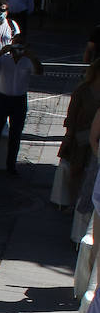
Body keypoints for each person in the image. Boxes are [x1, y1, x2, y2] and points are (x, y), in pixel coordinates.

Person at [0, 40, 42, 176]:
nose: (18, 51)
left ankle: (11, 166)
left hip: (19, 100)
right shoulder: (3, 59)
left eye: (20, 48)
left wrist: (31, 55)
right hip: (2, 98)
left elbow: (39, 71)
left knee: (15, 134)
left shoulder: (27, 61)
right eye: (15, 47)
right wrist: (1, 52)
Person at [61, 60, 100, 208]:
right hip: (80, 138)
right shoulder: (82, 90)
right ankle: (72, 203)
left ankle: (87, 204)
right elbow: (71, 115)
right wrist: (69, 135)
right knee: (76, 170)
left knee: (93, 173)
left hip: (97, 138)